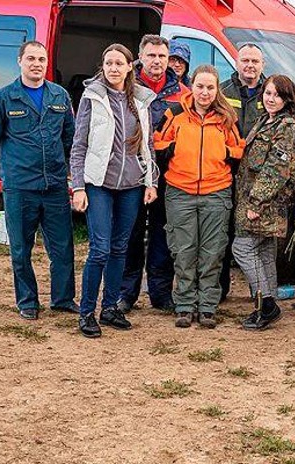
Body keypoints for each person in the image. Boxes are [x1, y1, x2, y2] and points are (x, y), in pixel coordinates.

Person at [0, 41, 77, 321]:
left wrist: (60, 164)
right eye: (31, 58)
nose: (37, 64)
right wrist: (14, 161)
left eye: (42, 59)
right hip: (21, 187)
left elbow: (69, 137)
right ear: (20, 61)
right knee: (21, 248)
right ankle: (28, 302)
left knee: (62, 247)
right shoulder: (5, 97)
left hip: (54, 185)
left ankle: (63, 299)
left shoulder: (59, 96)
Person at [69, 44, 159, 338]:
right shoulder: (92, 97)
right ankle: (86, 313)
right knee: (100, 248)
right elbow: (79, 143)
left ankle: (110, 308)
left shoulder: (140, 100)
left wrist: (150, 182)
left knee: (120, 248)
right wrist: (78, 186)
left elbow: (148, 147)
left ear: (130, 67)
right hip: (99, 184)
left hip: (131, 186)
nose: (114, 68)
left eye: (119, 63)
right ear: (103, 66)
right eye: (108, 63)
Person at [156, 65, 243, 329]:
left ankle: (207, 306)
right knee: (183, 251)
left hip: (216, 193)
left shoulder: (227, 118)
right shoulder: (175, 114)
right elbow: (157, 141)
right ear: (191, 86)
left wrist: (225, 156)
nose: (205, 92)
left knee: (212, 252)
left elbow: (238, 148)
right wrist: (174, 149)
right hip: (180, 192)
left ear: (217, 90)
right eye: (200, 86)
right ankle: (183, 305)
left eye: (210, 87)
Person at [233, 75, 295, 331]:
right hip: (254, 199)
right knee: (264, 251)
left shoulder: (288, 126)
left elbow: (277, 169)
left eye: (277, 95)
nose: (270, 98)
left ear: (287, 98)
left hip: (265, 203)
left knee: (242, 248)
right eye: (267, 93)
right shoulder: (266, 120)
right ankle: (266, 306)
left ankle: (266, 304)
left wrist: (257, 201)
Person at [120, 35, 187, 314]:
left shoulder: (183, 92)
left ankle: (161, 294)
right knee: (131, 234)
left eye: (162, 56)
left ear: (168, 58)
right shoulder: (125, 87)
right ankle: (126, 293)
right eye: (151, 56)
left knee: (162, 235)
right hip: (133, 172)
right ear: (140, 57)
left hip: (169, 174)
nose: (157, 61)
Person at [219, 43, 268, 303]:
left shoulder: (271, 92)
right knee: (223, 232)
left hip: (258, 175)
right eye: (245, 60)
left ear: (263, 65)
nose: (250, 65)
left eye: (255, 61)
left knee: (254, 234)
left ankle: (257, 291)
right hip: (227, 170)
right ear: (236, 63)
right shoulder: (223, 91)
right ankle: (220, 289)